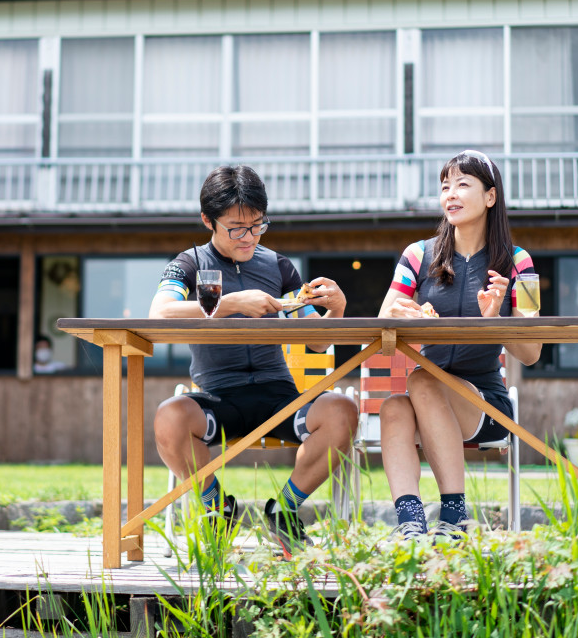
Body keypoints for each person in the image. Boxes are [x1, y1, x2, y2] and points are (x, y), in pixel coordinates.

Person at [150, 164, 358, 554]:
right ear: (207, 220)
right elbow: (159, 314)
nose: (249, 237)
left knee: (342, 409)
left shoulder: (279, 266)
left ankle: (284, 509)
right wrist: (226, 304)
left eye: (258, 225)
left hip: (278, 398)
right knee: (168, 415)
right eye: (236, 228)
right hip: (218, 397)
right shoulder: (190, 263)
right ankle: (217, 507)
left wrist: (338, 310)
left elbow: (317, 342)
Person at [377, 149, 542, 540]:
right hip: (428, 398)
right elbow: (386, 319)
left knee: (420, 381)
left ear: (490, 196)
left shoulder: (519, 263)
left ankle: (454, 517)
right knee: (393, 407)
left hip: (484, 403)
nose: (450, 193)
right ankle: (412, 523)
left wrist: (498, 319)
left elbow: (532, 353)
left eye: (463, 184)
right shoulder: (417, 256)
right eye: (445, 185)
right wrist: (408, 315)